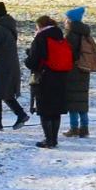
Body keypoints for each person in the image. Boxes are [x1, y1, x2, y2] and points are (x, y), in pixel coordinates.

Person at [24, 13, 71, 148]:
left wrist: (28, 58)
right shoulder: (60, 36)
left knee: (44, 110)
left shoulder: (40, 38)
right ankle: (54, 139)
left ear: (40, 26)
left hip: (45, 78)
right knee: (56, 110)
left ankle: (48, 139)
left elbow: (33, 62)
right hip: (61, 77)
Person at [0, 2, 28, 131]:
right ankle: (20, 114)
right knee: (5, 93)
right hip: (9, 64)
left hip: (1, 65)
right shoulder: (9, 26)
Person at [62, 5, 96, 138]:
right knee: (82, 100)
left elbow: (68, 53)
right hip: (84, 69)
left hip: (73, 70)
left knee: (73, 101)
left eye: (66, 18)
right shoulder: (85, 33)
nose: (64, 21)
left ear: (71, 20)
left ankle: (74, 128)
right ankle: (85, 127)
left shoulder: (71, 34)